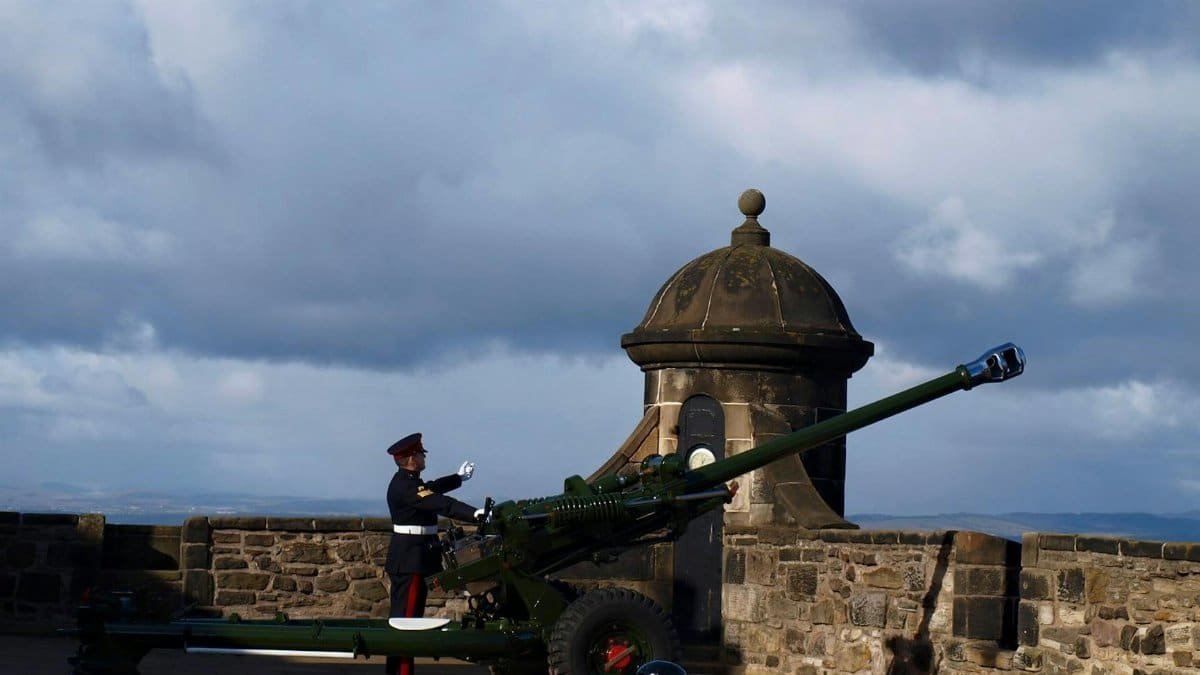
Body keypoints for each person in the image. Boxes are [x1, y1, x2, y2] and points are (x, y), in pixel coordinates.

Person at [383, 432, 481, 675]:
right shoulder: (406, 487)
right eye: (420, 453)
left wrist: (458, 478)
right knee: (407, 624)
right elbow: (440, 503)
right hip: (411, 560)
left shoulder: (409, 482)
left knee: (406, 620)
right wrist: (475, 514)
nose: (423, 456)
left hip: (413, 557)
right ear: (411, 459)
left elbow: (432, 488)